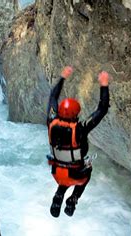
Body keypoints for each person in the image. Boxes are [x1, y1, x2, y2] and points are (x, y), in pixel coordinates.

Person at [46, 66, 110, 217]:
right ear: (76, 114)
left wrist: (62, 77)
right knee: (86, 172)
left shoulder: (51, 121)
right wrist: (104, 84)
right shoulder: (80, 128)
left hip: (56, 173)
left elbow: (53, 97)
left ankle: (59, 194)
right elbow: (102, 109)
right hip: (76, 174)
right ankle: (73, 199)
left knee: (66, 175)